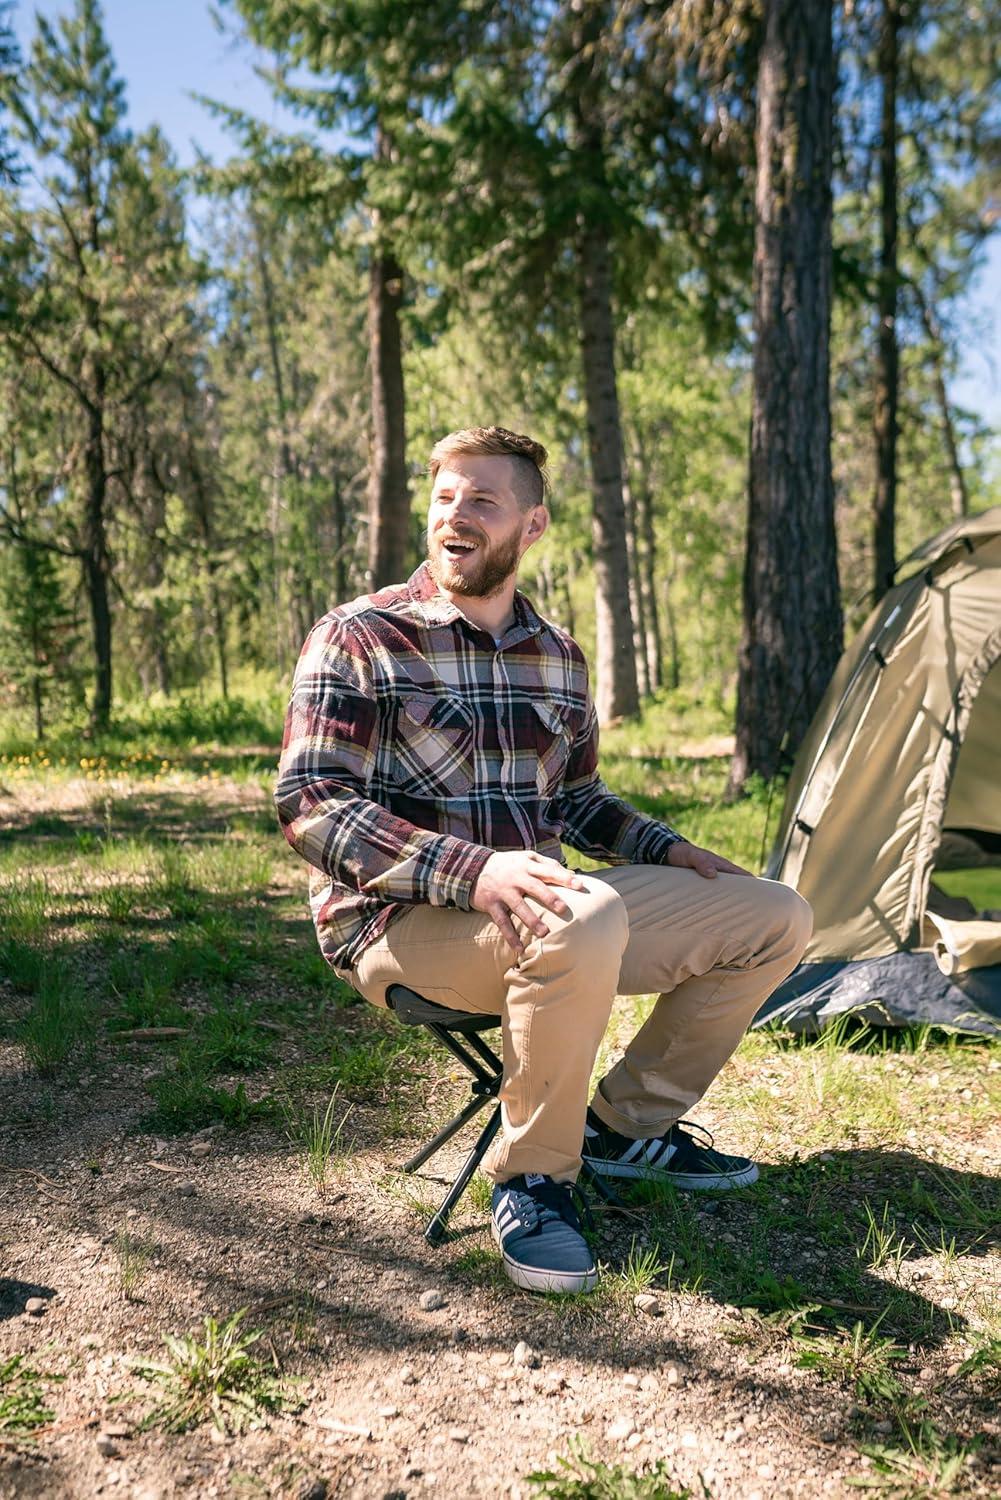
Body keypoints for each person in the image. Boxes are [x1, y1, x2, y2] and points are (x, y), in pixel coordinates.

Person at [275, 425, 812, 1295]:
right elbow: (311, 804)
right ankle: (533, 1183)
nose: (456, 514)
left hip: (549, 915)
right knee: (579, 909)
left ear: (531, 527)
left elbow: (576, 802)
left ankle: (621, 1129)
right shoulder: (361, 636)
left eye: (482, 500)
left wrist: (670, 849)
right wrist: (475, 872)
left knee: (773, 913)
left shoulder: (557, 657)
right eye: (444, 496)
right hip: (395, 925)